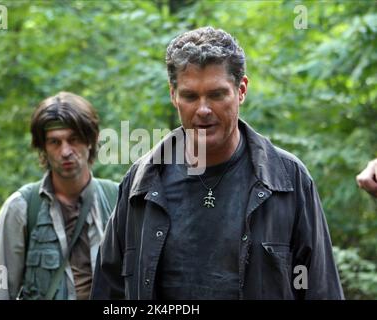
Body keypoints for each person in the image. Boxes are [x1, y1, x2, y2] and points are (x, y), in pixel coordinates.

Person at [91, 26, 344, 300]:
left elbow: (321, 289)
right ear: (173, 95)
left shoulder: (288, 180)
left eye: (216, 94)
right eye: (190, 96)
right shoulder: (140, 185)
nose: (203, 110)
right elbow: (108, 292)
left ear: (241, 90)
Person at [0, 92, 118, 300]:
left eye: (73, 139)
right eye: (55, 142)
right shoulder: (20, 208)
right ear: (43, 149)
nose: (65, 151)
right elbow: (0, 290)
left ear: (90, 141)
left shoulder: (118, 201)